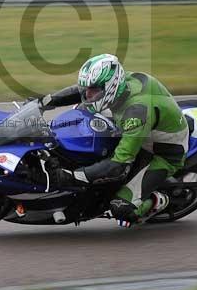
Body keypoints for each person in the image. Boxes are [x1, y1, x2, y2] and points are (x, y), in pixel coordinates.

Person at [36, 53, 189, 227]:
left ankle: (157, 201)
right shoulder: (120, 83)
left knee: (121, 209)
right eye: (87, 89)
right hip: (140, 127)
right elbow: (81, 92)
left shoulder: (136, 114)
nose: (88, 94)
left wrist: (73, 176)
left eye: (93, 91)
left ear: (110, 87)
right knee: (81, 112)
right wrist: (45, 101)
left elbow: (119, 164)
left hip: (162, 152)